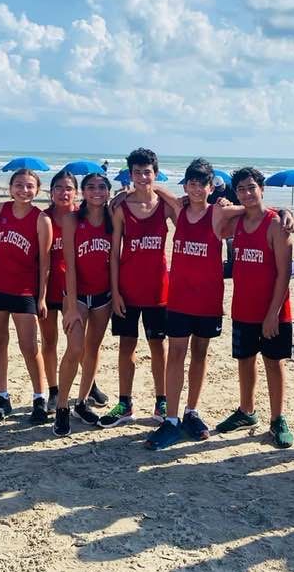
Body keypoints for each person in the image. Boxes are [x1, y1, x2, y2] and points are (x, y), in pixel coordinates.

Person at [144, 158, 225, 449]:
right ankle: (172, 419)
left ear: (210, 185)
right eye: (191, 182)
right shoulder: (178, 210)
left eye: (201, 183)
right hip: (178, 298)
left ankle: (192, 411)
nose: (195, 188)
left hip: (208, 300)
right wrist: (127, 194)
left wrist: (283, 211)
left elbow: (253, 209)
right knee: (176, 353)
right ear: (186, 184)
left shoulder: (218, 213)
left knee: (200, 354)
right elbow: (156, 187)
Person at [213, 167, 294, 448]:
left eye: (252, 188)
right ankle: (246, 411)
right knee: (245, 361)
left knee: (274, 363)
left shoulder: (276, 225)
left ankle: (278, 418)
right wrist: (229, 205)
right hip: (243, 308)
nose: (247, 194)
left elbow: (284, 274)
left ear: (262, 188)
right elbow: (218, 223)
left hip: (274, 310)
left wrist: (273, 314)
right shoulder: (236, 223)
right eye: (241, 189)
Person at [101, 148, 174, 428]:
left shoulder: (165, 205)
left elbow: (189, 213)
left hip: (158, 289)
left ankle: (162, 399)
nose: (143, 177)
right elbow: (114, 252)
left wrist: (160, 190)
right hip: (127, 290)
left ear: (155, 173)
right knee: (126, 346)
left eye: (147, 172)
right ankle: (125, 402)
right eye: (137, 172)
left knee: (158, 346)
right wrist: (116, 291)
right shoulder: (120, 207)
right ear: (130, 174)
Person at [0, 169, 52, 425]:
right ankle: (2, 397)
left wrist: (41, 297)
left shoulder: (41, 219)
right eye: (19, 185)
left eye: (29, 186)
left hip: (24, 291)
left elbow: (45, 263)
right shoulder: (1, 210)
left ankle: (39, 398)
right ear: (10, 188)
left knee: (30, 347)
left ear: (37, 190)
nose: (24, 190)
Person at [40, 169, 109, 414]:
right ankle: (54, 390)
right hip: (51, 289)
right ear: (51, 191)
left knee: (81, 344)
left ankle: (89, 387)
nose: (63, 192)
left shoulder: (83, 215)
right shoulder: (44, 218)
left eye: (68, 188)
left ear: (75, 192)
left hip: (78, 289)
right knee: (50, 342)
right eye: (58, 187)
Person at [52, 172, 115, 437]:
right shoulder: (72, 220)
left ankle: (82, 402)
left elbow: (113, 261)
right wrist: (70, 307)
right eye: (90, 187)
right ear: (83, 192)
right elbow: (70, 265)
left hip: (104, 296)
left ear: (108, 191)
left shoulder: (114, 218)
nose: (96, 191)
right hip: (76, 295)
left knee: (93, 349)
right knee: (75, 348)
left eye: (102, 187)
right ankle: (62, 405)